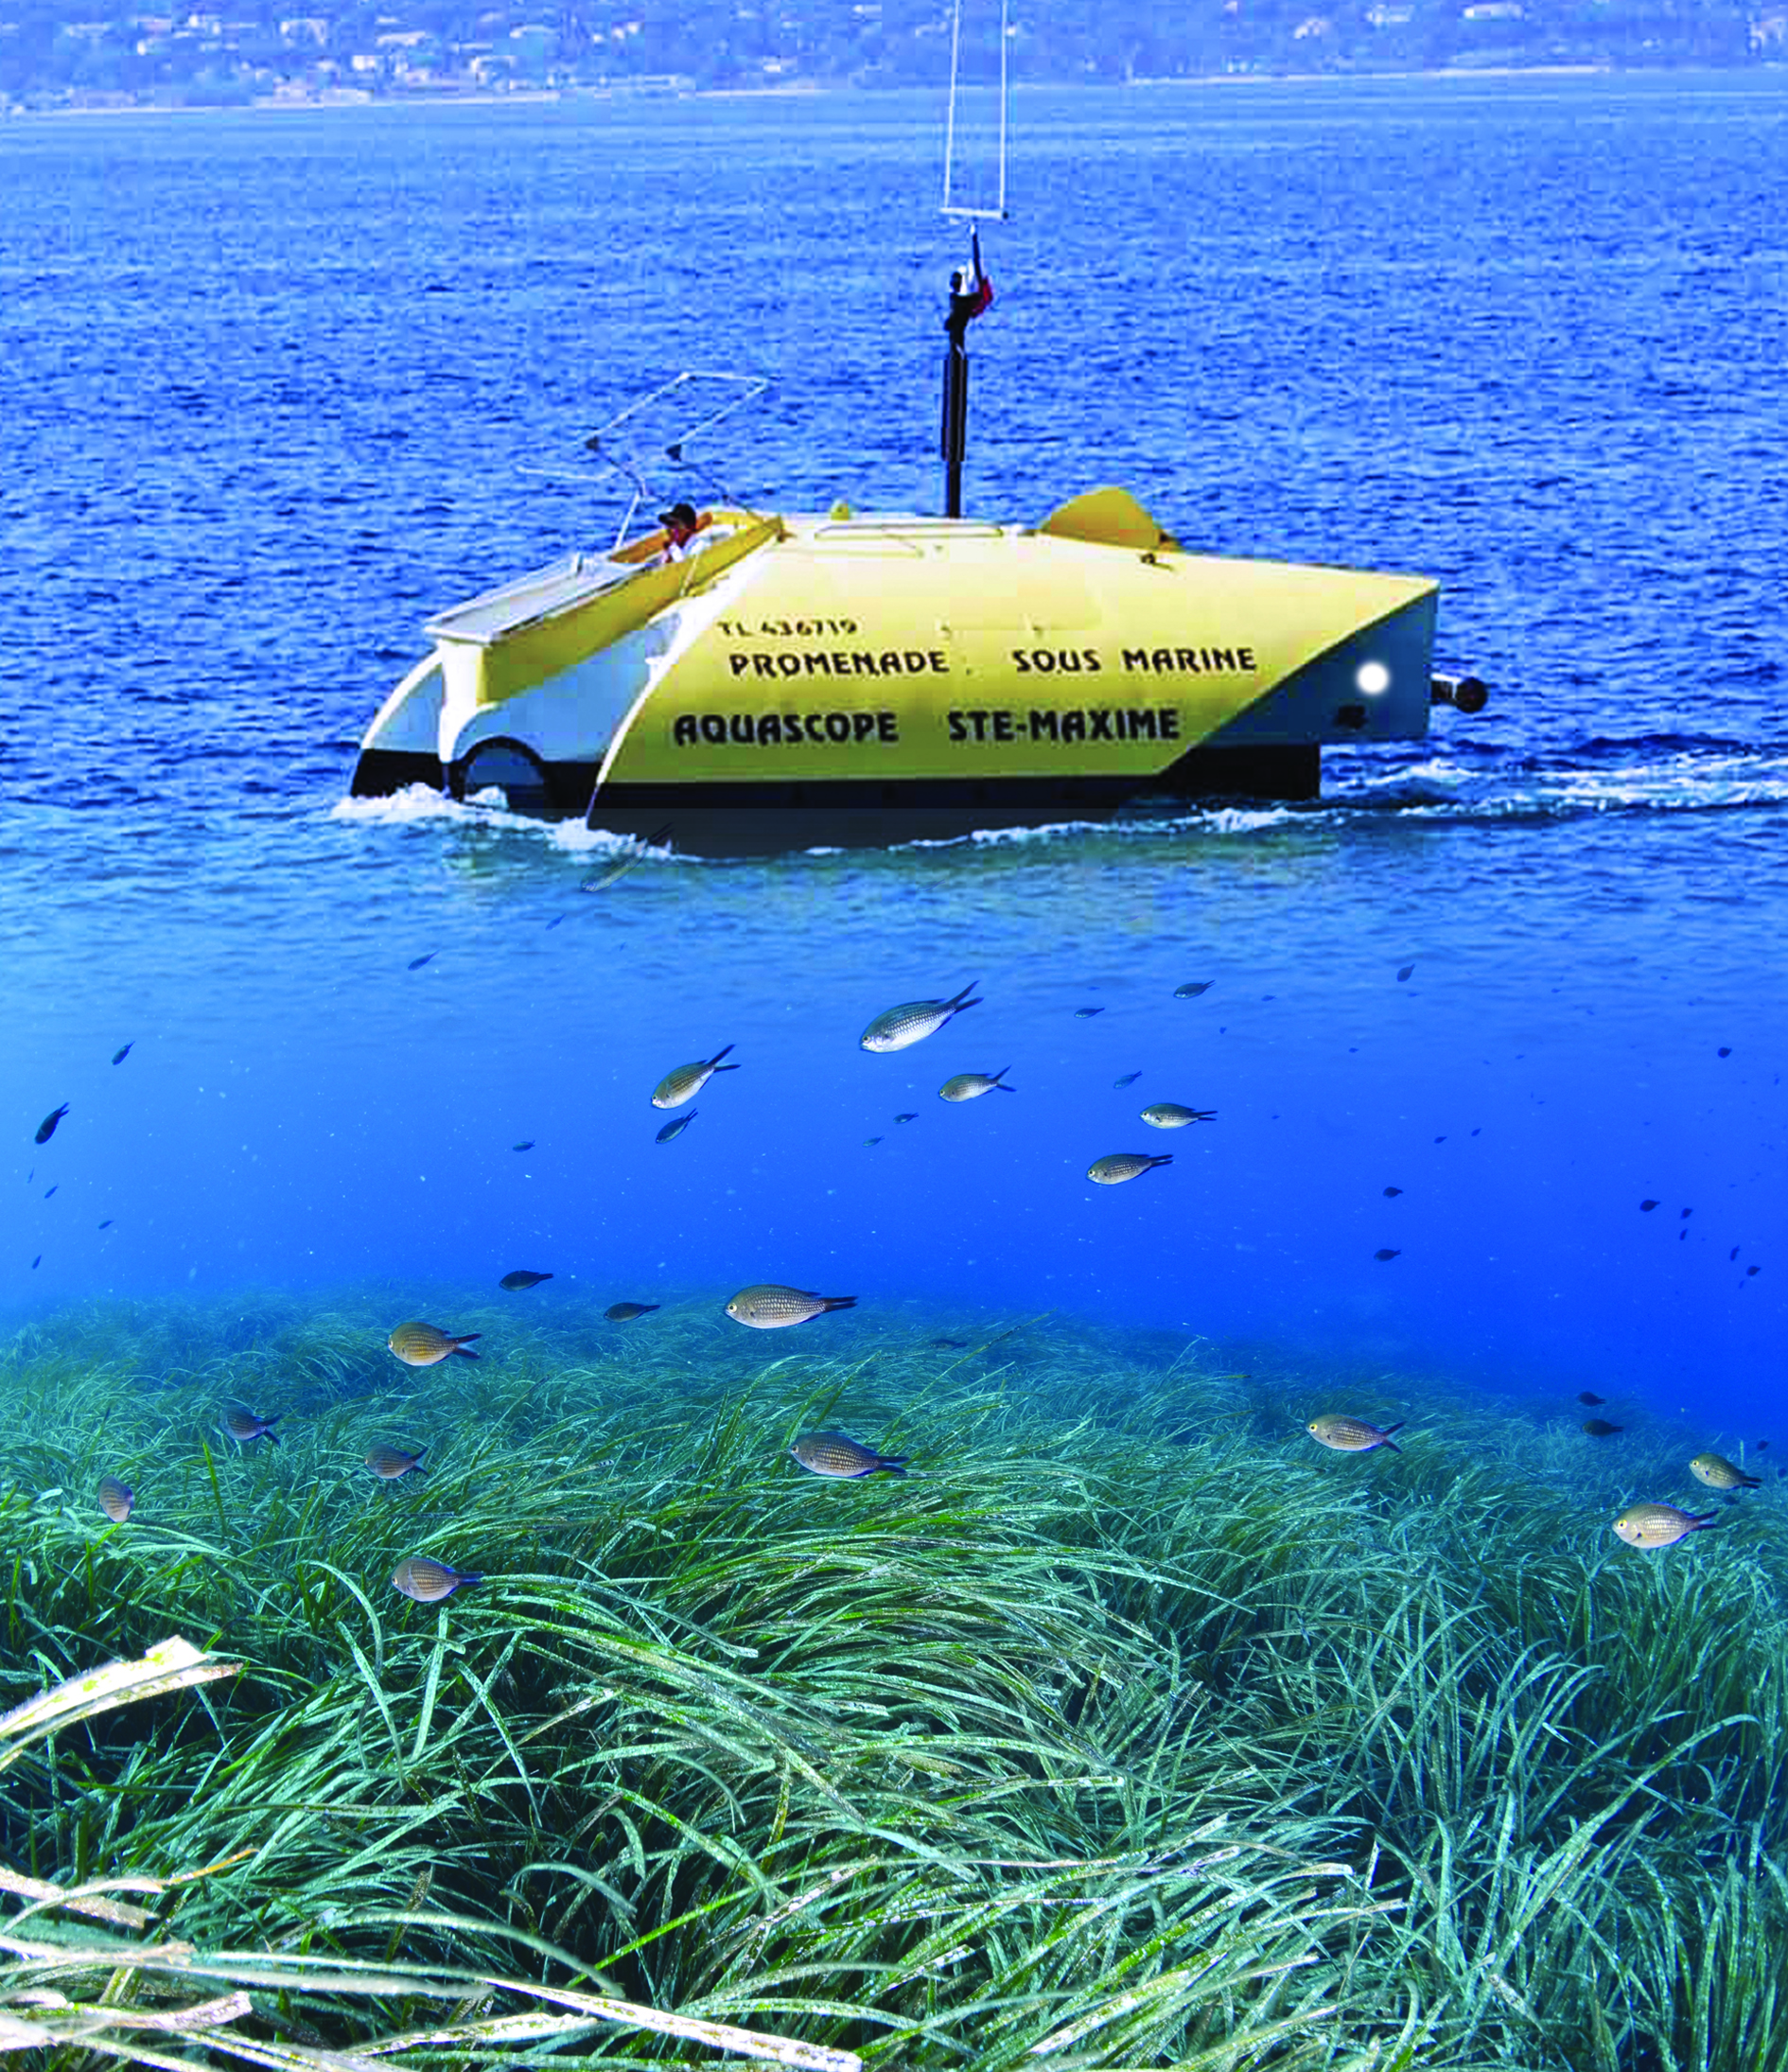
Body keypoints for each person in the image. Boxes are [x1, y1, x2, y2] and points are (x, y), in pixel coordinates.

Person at [943, 226, 994, 351]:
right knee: (958, 324)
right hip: (973, 299)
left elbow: (976, 256)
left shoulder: (975, 275)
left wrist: (974, 236)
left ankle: (957, 343)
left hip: (975, 298)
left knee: (959, 313)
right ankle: (957, 345)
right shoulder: (971, 279)